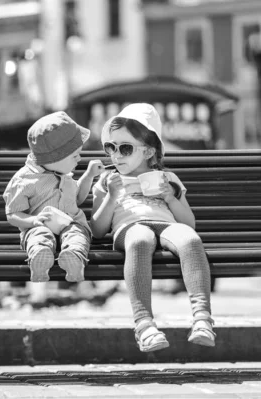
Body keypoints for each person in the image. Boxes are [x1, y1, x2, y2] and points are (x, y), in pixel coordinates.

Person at [90, 103, 215, 352]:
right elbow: (97, 229)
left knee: (190, 240)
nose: (116, 155)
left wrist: (170, 197)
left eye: (125, 148)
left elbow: (189, 223)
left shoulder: (168, 179)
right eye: (110, 147)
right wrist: (112, 197)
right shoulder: (107, 180)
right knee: (140, 240)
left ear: (148, 151)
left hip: (165, 224)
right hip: (130, 226)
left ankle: (202, 318)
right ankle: (144, 324)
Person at [3, 111, 104, 283]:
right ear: (55, 157)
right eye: (74, 155)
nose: (79, 158)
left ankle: (74, 260)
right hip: (39, 227)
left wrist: (89, 175)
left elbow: (77, 199)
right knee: (39, 236)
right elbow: (12, 214)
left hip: (71, 224)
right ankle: (40, 262)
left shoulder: (65, 174)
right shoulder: (24, 179)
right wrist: (33, 221)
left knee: (77, 234)